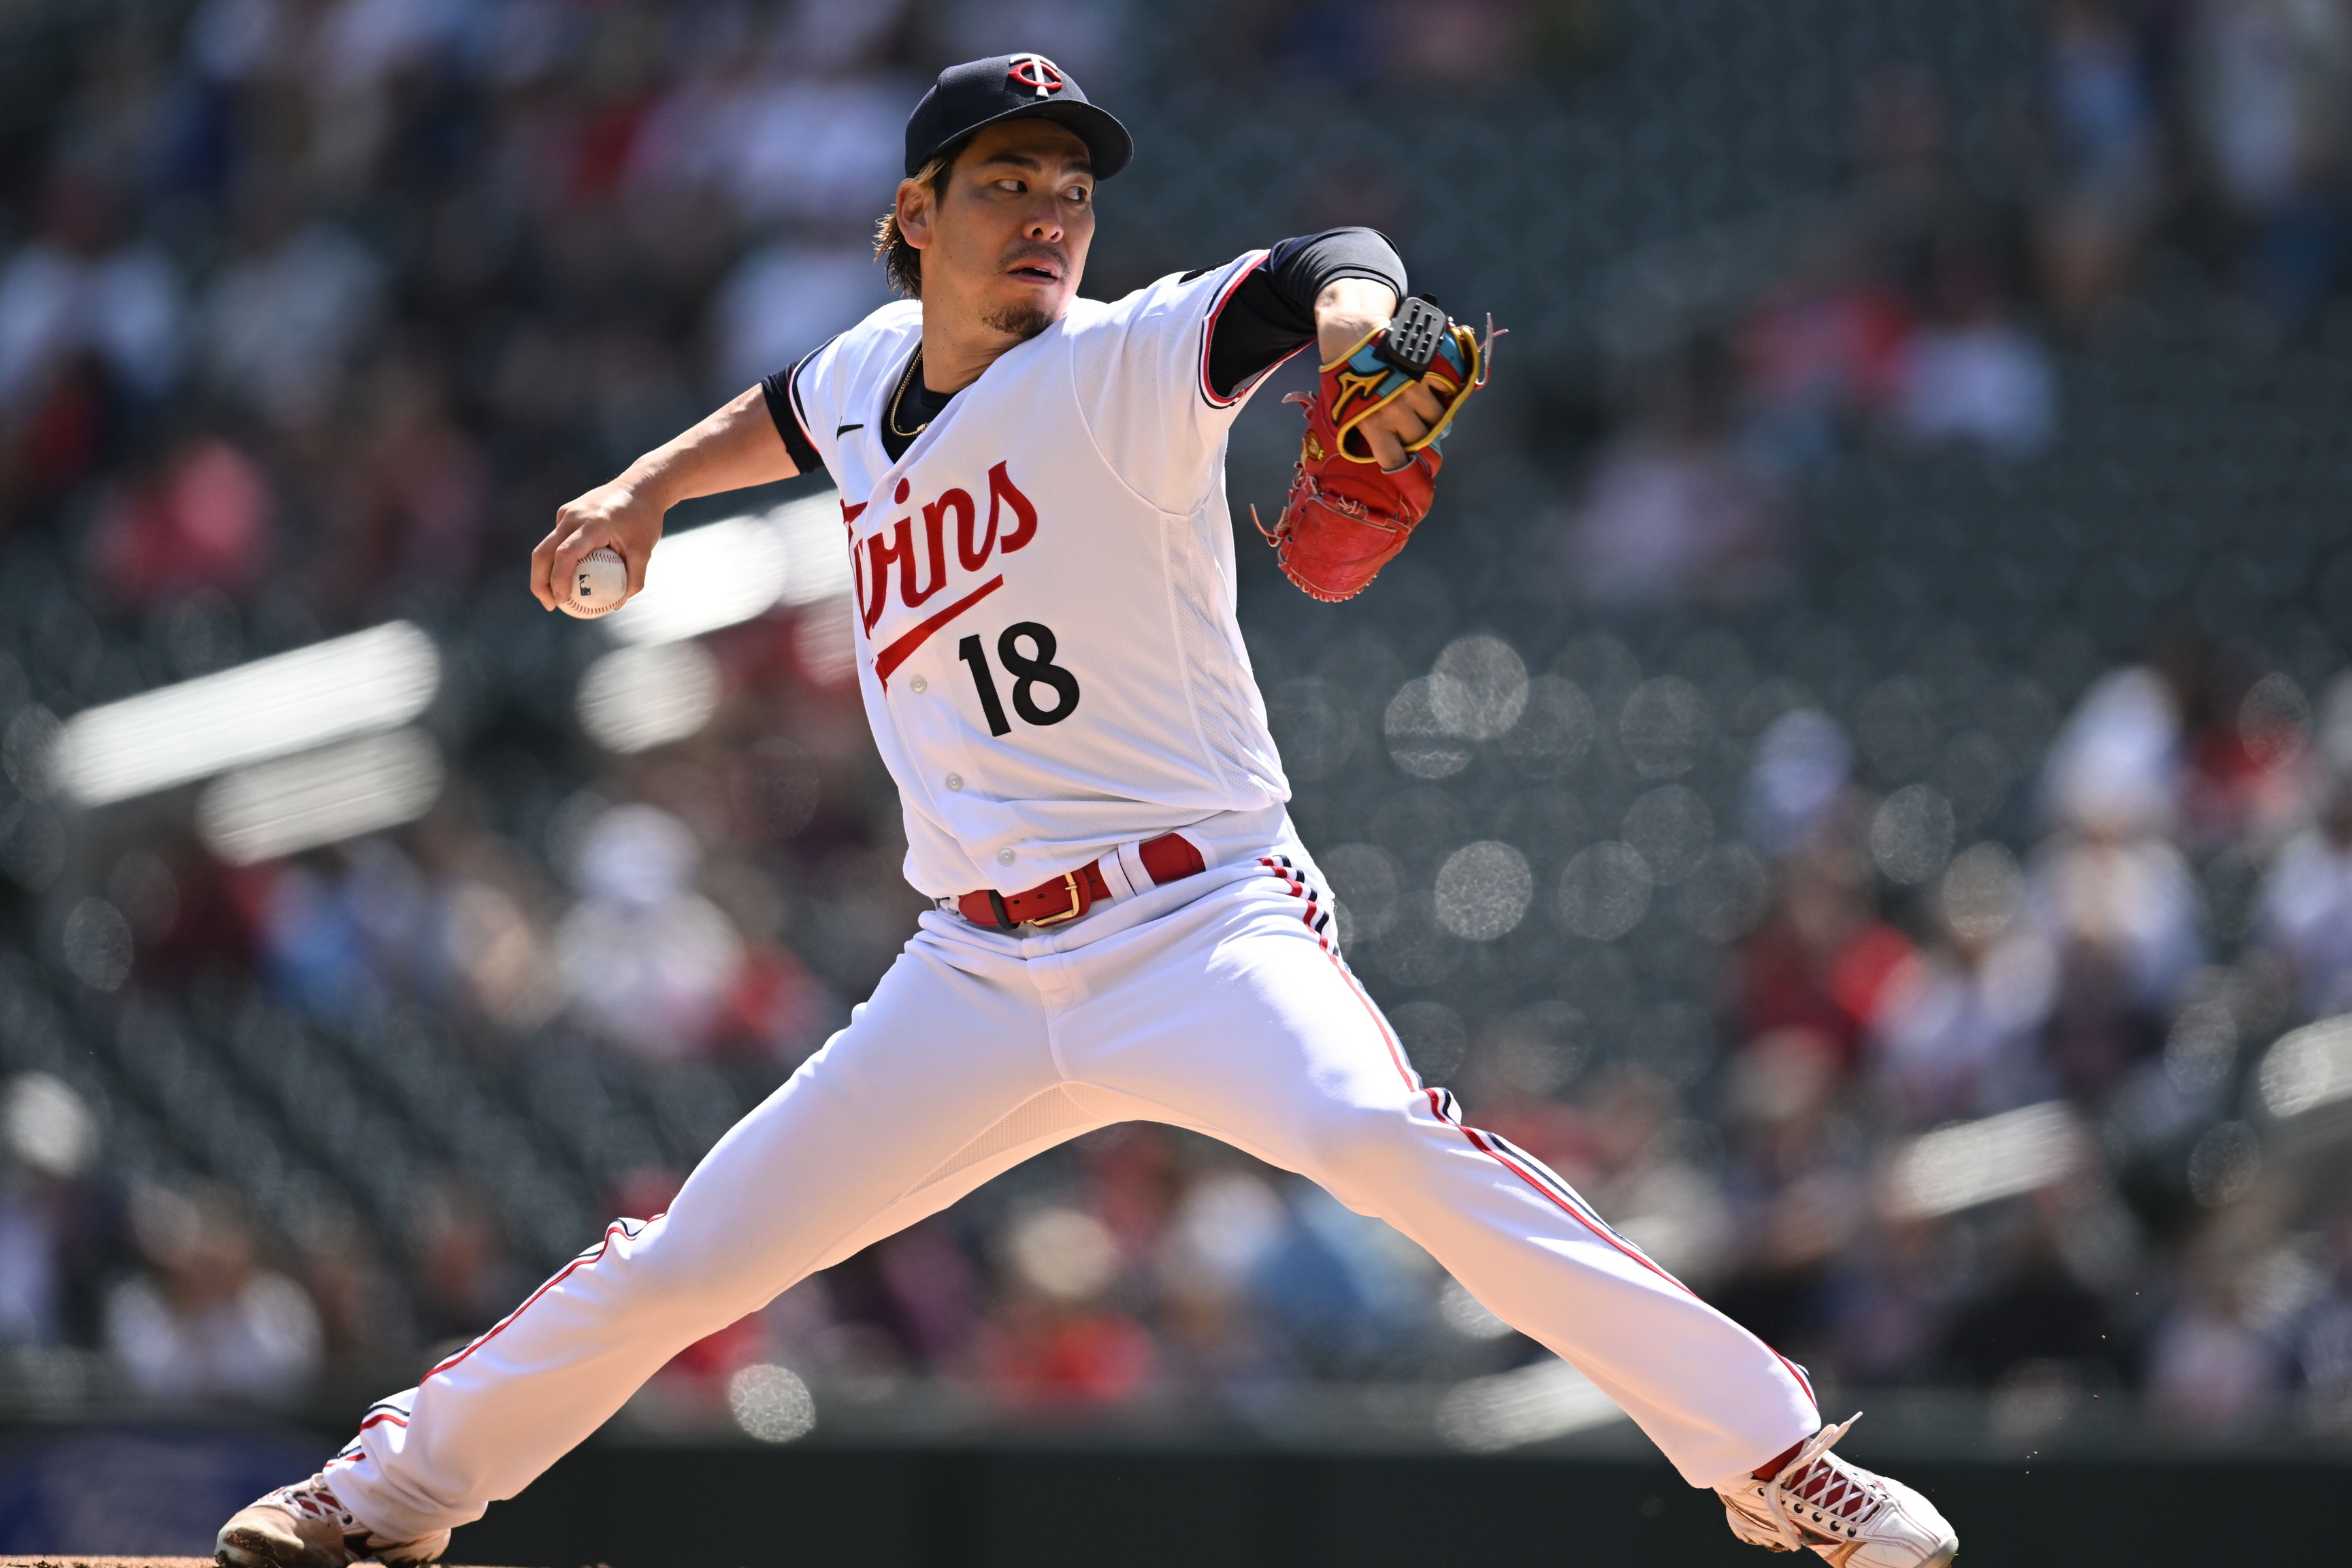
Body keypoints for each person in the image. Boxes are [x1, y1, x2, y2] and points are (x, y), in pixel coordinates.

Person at [216, 54, 1955, 1568]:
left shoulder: (1117, 365)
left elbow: (1319, 273)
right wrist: (644, 487)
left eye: (1070, 188)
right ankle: (381, 1495)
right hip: (969, 973)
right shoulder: (866, 373)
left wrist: (1362, 333)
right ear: (915, 212)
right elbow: (795, 417)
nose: (1051, 212)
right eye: (1008, 184)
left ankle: (1778, 1461)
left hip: (1202, 927)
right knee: (694, 1258)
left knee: (1380, 1141)